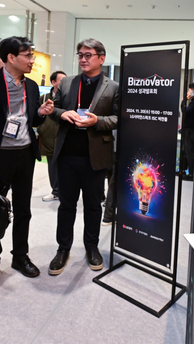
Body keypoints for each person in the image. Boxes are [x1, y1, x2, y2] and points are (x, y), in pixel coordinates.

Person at [0, 36, 54, 291]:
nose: (32, 60)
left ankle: (20, 256)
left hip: (25, 155)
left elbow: (31, 120)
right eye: (28, 56)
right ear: (11, 57)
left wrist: (40, 114)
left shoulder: (31, 86)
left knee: (23, 210)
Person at [47, 38, 119, 276]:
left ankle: (92, 247)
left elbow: (118, 118)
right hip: (67, 155)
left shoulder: (113, 87)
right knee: (66, 205)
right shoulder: (67, 82)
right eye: (80, 55)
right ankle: (62, 249)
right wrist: (62, 113)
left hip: (95, 157)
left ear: (101, 58)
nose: (83, 59)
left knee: (93, 206)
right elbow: (54, 109)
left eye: (88, 55)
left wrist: (97, 121)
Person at [39, 71, 67, 202]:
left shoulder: (67, 97)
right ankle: (55, 191)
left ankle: (64, 191)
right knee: (51, 164)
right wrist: (42, 129)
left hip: (62, 134)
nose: (65, 83)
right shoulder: (44, 97)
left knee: (65, 164)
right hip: (48, 135)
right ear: (54, 82)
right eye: (62, 80)